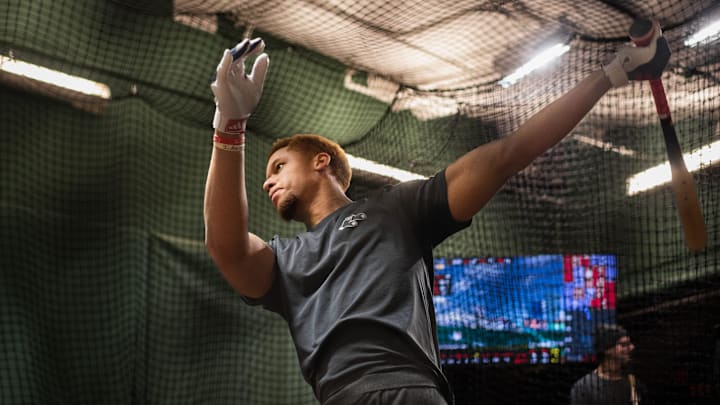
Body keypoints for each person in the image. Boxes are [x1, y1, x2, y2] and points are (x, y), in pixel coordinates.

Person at [204, 25, 668, 405]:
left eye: (279, 166)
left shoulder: (396, 209)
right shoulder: (285, 260)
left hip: (411, 391)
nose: (268, 182)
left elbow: (510, 152)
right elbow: (225, 245)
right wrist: (229, 126)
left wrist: (614, 70)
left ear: (321, 162)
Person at [570, 324, 647, 405]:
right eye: (624, 345)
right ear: (607, 350)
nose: (632, 347)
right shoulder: (584, 388)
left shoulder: (635, 384)